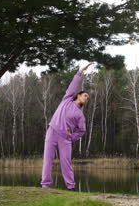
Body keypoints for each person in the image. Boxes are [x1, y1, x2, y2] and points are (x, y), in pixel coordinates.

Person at [41, 63, 92, 191]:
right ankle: (45, 185)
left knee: (66, 163)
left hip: (65, 138)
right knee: (48, 160)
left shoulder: (80, 115)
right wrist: (80, 72)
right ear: (79, 95)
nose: (86, 98)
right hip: (52, 131)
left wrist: (72, 136)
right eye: (85, 95)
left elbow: (82, 130)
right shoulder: (67, 99)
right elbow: (73, 85)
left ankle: (71, 187)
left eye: (88, 98)